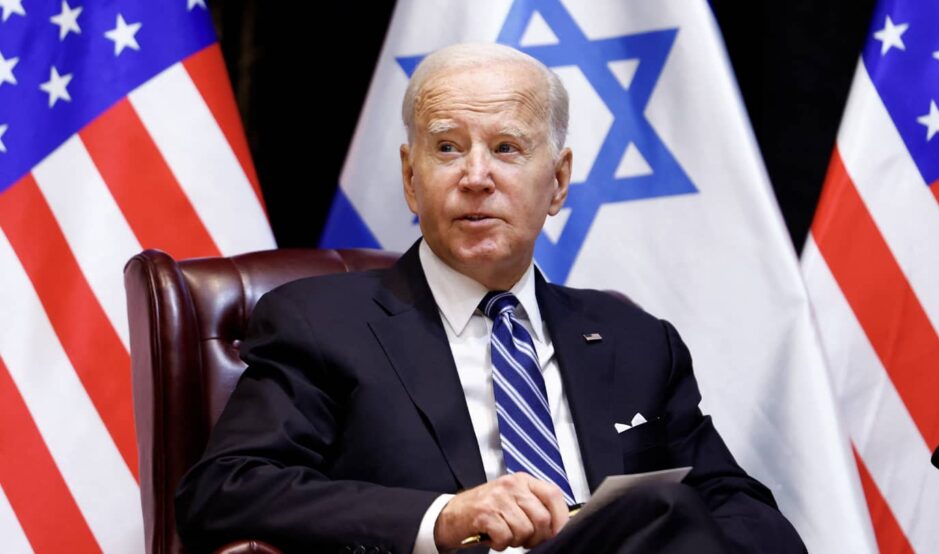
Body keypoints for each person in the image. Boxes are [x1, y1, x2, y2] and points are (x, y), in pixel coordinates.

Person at [175, 43, 805, 553]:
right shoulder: (321, 322)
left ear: (557, 182)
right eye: (447, 148)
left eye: (506, 148)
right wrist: (443, 518)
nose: (476, 177)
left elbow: (737, 504)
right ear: (410, 178)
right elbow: (226, 489)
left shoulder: (635, 338)